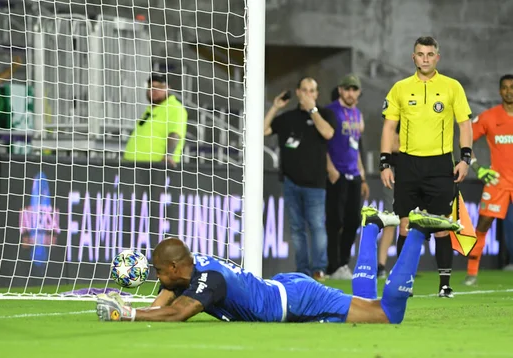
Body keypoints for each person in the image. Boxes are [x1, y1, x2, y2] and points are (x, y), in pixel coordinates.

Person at [95, 207, 462, 323]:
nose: (157, 279)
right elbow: (162, 304)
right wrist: (126, 306)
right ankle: (370, 226)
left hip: (295, 298)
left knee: (386, 315)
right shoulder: (189, 270)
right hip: (283, 291)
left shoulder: (210, 281)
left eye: (159, 272)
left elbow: (177, 315)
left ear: (174, 268)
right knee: (363, 311)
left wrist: (126, 316)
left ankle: (416, 236)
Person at [380, 36, 473, 297]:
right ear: (413, 57)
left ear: (437, 57)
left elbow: (465, 124)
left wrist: (465, 159)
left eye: (430, 54)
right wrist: (385, 162)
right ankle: (403, 284)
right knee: (405, 225)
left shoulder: (451, 87)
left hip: (441, 163)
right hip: (408, 164)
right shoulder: (399, 88)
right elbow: (388, 127)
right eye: (420, 54)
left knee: (442, 226)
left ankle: (444, 285)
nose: (425, 58)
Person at [263, 77, 336, 280]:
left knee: (317, 226)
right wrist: (275, 107)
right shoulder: (287, 118)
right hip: (291, 181)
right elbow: (262, 130)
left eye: (312, 90)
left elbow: (328, 133)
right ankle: (303, 270)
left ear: (317, 94)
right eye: (304, 90)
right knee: (296, 229)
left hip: (315, 183)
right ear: (298, 92)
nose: (308, 94)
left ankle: (319, 269)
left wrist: (313, 111)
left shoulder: (325, 114)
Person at [464, 74, 513, 285]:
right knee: (483, 224)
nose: (509, 91)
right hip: (497, 181)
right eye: (505, 87)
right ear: (499, 91)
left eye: (512, 87)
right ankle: (472, 271)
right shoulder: (489, 117)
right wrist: (476, 167)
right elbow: (464, 139)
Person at [325, 74, 370, 280]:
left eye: (354, 89)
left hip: (353, 173)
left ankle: (343, 264)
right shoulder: (331, 111)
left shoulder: (358, 114)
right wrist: (330, 168)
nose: (351, 93)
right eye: (347, 89)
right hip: (337, 174)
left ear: (359, 92)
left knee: (352, 221)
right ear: (341, 90)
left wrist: (362, 176)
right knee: (335, 222)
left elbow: (357, 147)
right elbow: (323, 143)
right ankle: (332, 266)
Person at [123, 72, 188, 168]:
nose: (153, 90)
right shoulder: (150, 110)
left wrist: (168, 155)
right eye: (150, 87)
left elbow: (175, 134)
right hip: (134, 165)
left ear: (167, 88)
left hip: (155, 168)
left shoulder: (175, 108)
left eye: (158, 87)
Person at [377, 125, 400, 279]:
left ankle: (404, 266)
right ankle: (381, 266)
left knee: (410, 222)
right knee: (390, 220)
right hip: (394, 171)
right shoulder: (395, 121)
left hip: (413, 172)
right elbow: (391, 145)